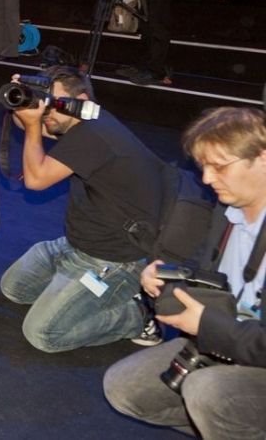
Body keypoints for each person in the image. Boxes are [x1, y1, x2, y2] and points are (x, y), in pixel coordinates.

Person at [104, 107, 266, 439]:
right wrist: (168, 277)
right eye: (203, 167)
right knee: (123, 388)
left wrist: (207, 326)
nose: (206, 179)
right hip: (228, 338)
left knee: (208, 392)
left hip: (252, 348)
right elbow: (208, 274)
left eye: (219, 166)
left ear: (262, 158)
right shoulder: (226, 210)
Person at [0, 67, 169, 352]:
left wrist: (32, 123)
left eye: (52, 104)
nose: (46, 113)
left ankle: (137, 316)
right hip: (76, 245)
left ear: (79, 99)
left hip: (113, 260)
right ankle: (72, 291)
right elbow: (35, 127)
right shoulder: (84, 119)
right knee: (14, 289)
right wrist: (24, 100)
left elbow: (36, 179)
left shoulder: (94, 135)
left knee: (44, 334)